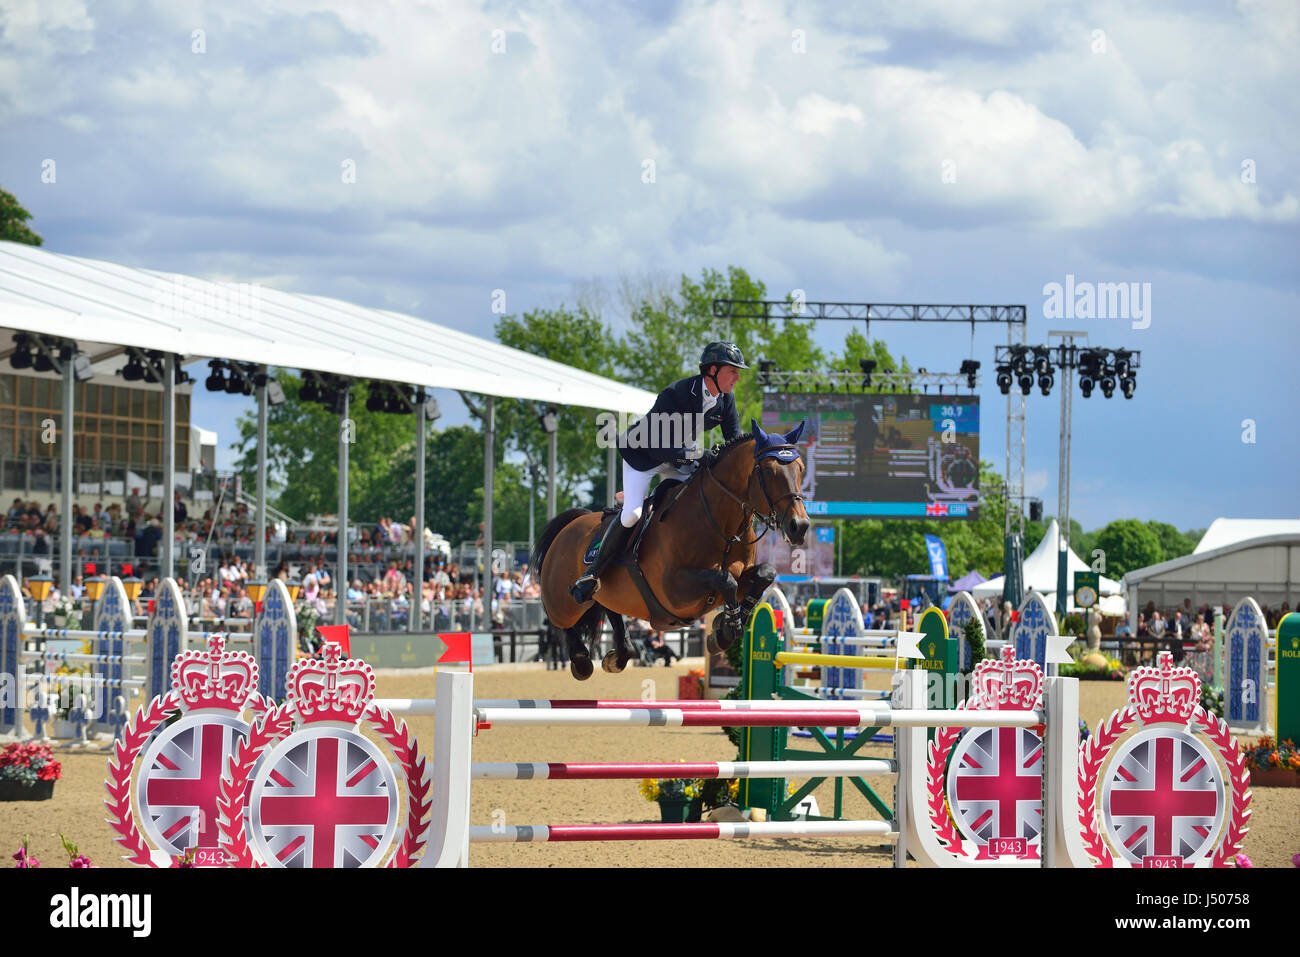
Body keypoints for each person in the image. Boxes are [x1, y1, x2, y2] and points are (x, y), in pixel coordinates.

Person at [570, 340, 748, 603]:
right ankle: (592, 573)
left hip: (680, 457)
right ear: (712, 371)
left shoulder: (725, 400)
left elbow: (734, 440)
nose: (737, 377)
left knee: (702, 496)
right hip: (643, 454)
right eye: (732, 370)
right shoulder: (675, 394)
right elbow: (657, 446)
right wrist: (698, 454)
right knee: (632, 514)